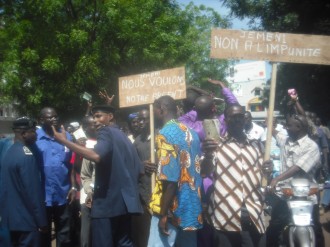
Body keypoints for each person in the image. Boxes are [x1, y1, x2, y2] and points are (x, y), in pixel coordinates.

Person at [51, 104, 143, 247]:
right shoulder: (123, 136)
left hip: (107, 204)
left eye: (98, 116)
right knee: (124, 243)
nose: (94, 120)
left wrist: (64, 141)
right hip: (125, 204)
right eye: (93, 117)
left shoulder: (105, 132)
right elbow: (139, 169)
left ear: (110, 117)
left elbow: (96, 155)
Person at [202, 103, 270, 247]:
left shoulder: (256, 145)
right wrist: (208, 155)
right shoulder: (215, 145)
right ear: (225, 120)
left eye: (240, 116)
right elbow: (205, 171)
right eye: (233, 117)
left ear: (245, 119)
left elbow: (263, 177)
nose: (238, 120)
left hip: (253, 210)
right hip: (226, 212)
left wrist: (267, 171)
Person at [148, 95, 203, 247]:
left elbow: (170, 179)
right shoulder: (193, 133)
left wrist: (164, 213)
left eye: (154, 110)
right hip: (192, 208)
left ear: (162, 109)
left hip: (172, 208)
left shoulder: (165, 134)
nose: (153, 114)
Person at [266, 114, 325, 247]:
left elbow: (298, 167)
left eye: (288, 125)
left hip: (306, 198)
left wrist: (277, 179)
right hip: (285, 196)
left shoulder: (312, 147)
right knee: (273, 229)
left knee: (315, 229)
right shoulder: (285, 140)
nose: (285, 127)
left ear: (299, 127)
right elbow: (275, 133)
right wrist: (270, 124)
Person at [0, 117, 47, 247]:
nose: (36, 134)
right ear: (24, 133)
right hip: (27, 221)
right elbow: (33, 192)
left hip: (11, 219)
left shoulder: (11, 152)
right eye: (33, 131)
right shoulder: (26, 156)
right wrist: (41, 221)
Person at [36, 107, 75, 247]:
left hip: (62, 193)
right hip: (42, 195)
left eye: (56, 116)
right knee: (43, 233)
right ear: (41, 120)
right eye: (50, 117)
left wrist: (73, 186)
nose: (54, 119)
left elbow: (71, 164)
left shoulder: (67, 137)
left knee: (64, 233)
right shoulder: (34, 138)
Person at [131, 108, 157, 247]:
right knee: (143, 233)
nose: (141, 122)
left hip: (159, 193)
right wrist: (141, 165)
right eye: (139, 119)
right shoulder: (137, 141)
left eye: (144, 119)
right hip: (142, 194)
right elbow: (131, 164)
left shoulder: (160, 137)